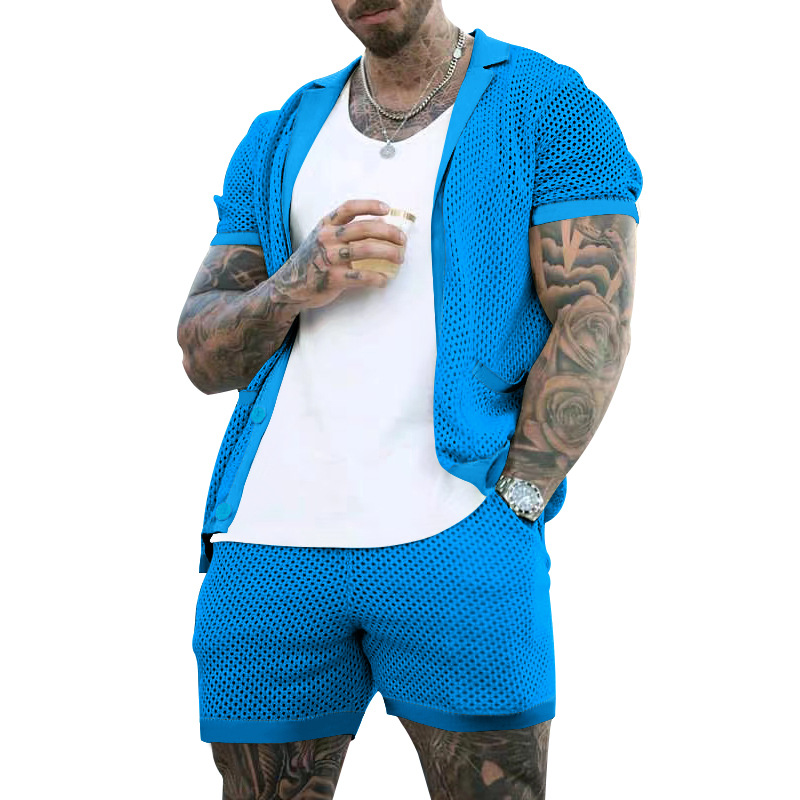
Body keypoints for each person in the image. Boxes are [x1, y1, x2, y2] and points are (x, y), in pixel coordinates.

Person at [177, 1, 641, 797]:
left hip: (460, 537)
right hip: (267, 547)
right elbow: (201, 355)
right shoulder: (283, 131)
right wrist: (297, 282)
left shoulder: (548, 106)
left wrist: (519, 501)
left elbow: (593, 321)